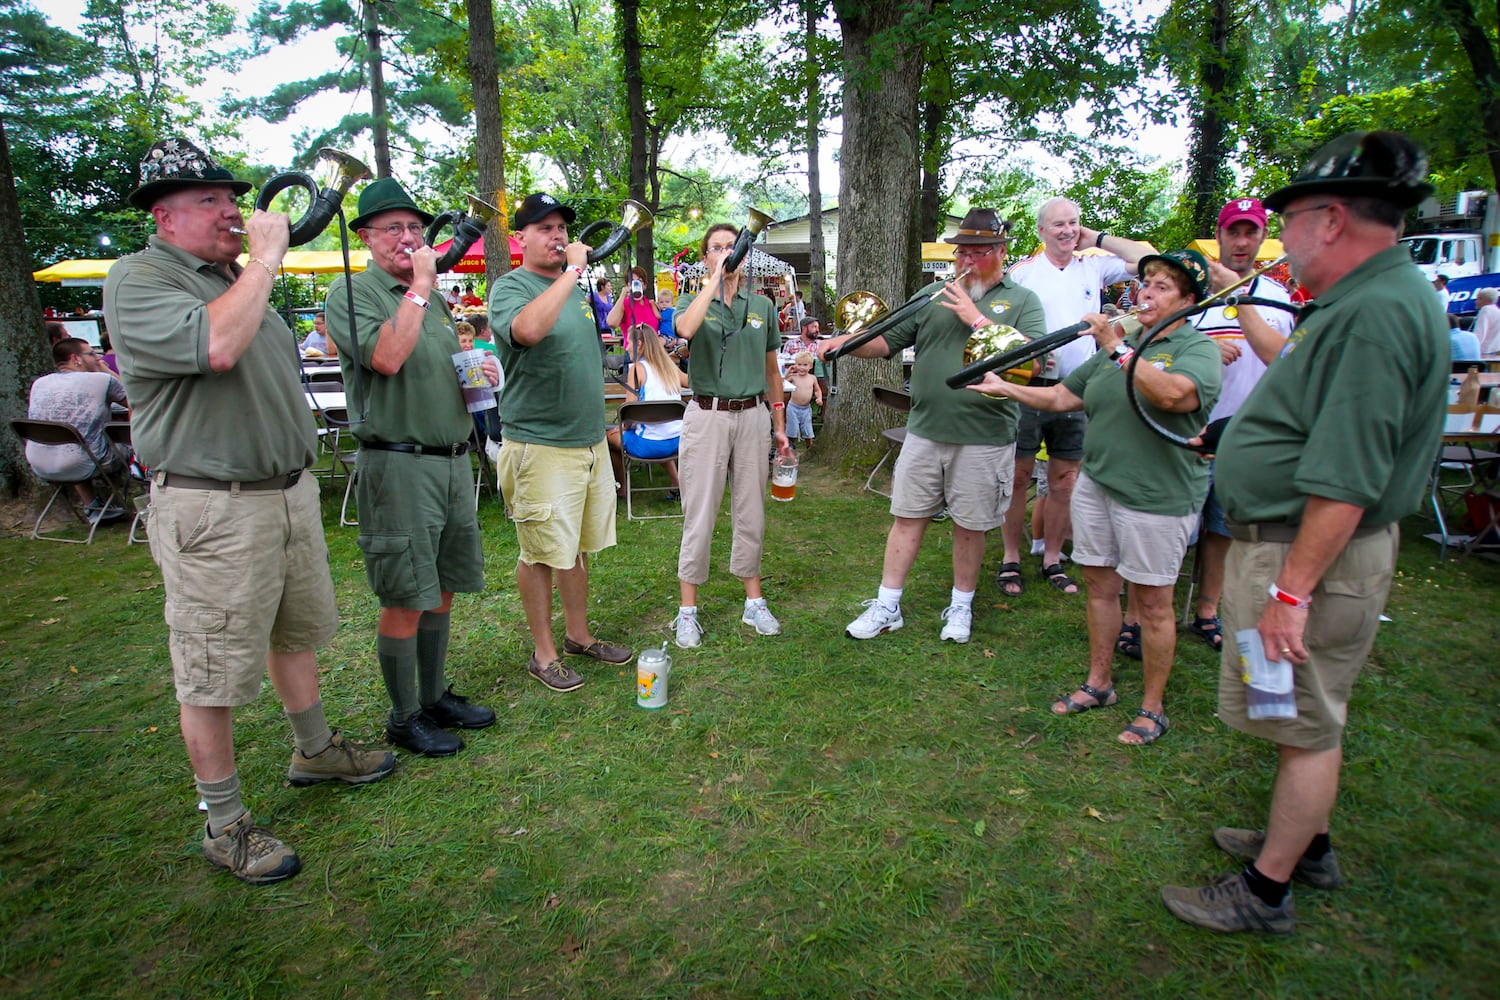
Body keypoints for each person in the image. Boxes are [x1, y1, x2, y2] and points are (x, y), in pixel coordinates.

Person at [1159, 131, 1448, 934]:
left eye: (1287, 221)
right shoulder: (1366, 300)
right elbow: (1322, 423)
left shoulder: (1378, 314)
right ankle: (1306, 841)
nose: (1281, 239)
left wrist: (1291, 593)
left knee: (1305, 721)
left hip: (1307, 556)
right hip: (1294, 548)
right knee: (1295, 713)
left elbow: (1348, 478)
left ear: (1330, 219)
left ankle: (1267, 888)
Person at [102, 136, 395, 885]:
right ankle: (224, 821)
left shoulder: (234, 275)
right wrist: (264, 260)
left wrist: (251, 265)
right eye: (211, 200)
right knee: (211, 669)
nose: (234, 211)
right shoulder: (140, 279)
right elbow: (218, 347)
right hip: (213, 506)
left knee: (293, 634)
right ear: (163, 217)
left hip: (285, 492)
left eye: (232, 197)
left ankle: (315, 750)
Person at [966, 248, 1222, 744]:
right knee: (1101, 589)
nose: (1146, 292)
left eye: (1163, 286)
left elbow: (1171, 395)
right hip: (1098, 487)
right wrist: (1008, 388)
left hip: (1158, 496)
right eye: (1145, 283)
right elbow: (1063, 396)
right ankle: (1099, 683)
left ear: (1190, 302)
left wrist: (1116, 347)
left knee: (1152, 604)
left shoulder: (1197, 349)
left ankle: (1152, 708)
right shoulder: (1118, 350)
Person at [324, 177, 501, 758]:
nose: (407, 238)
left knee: (442, 586)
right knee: (405, 593)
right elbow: (388, 357)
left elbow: (439, 366)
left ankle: (431, 696)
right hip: (398, 464)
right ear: (367, 238)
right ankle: (403, 717)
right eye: (392, 228)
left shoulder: (434, 301)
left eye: (414, 227)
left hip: (451, 462)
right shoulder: (354, 294)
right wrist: (422, 285)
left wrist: (479, 372)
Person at [818, 208, 1046, 645]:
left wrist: (976, 319)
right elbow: (884, 341)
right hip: (925, 429)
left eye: (979, 252)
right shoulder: (931, 295)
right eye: (963, 252)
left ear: (1000, 252)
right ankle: (887, 605)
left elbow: (1032, 363)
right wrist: (845, 344)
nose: (968, 260)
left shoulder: (1022, 301)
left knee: (970, 524)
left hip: (985, 435)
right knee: (907, 517)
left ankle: (960, 607)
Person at [489, 192, 632, 691]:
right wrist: (572, 273)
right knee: (540, 552)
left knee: (576, 548)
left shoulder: (573, 291)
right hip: (540, 444)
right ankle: (543, 653)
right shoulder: (511, 287)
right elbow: (526, 331)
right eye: (544, 227)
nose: (558, 236)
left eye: (562, 228)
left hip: (589, 443)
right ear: (520, 238)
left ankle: (578, 635)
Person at [998, 198, 1152, 599]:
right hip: (1031, 386)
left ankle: (1052, 557)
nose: (1067, 231)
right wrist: (1027, 350)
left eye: (1074, 223)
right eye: (1058, 225)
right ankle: (1010, 556)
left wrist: (1097, 238)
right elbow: (1001, 329)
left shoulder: (1094, 263)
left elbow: (1151, 258)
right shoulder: (1024, 272)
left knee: (1065, 480)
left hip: (1081, 387)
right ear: (1041, 231)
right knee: (1018, 476)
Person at [671, 223, 794, 648]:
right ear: (705, 257)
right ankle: (688, 610)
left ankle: (753, 602)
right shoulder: (691, 300)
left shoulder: (761, 304)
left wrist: (779, 427)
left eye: (733, 246)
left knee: (751, 511)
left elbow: (771, 370)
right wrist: (714, 281)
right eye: (717, 248)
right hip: (707, 415)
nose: (726, 253)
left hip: (752, 416)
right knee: (700, 514)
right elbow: (685, 330)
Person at [1186, 197, 1297, 655]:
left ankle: (1207, 610)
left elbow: (1288, 365)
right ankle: (1143, 609)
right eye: (1234, 231)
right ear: (1221, 233)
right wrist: (1205, 351)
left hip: (1247, 437)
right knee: (1177, 525)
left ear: (1262, 237)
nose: (1242, 241)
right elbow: (1164, 350)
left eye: (1251, 232)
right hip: (1193, 430)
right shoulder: (1195, 291)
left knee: (1222, 531)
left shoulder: (1279, 295)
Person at [24, 337, 129, 519]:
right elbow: (137, 402)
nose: (97, 357)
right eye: (91, 353)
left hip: (39, 462)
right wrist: (105, 370)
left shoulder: (39, 383)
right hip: (87, 461)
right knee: (129, 440)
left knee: (76, 442)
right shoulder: (101, 380)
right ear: (76, 359)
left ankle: (93, 506)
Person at [606, 323, 689, 495]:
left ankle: (622, 489)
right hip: (678, 441)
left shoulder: (636, 370)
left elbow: (628, 413)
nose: (626, 347)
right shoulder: (669, 367)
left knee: (610, 437)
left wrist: (622, 428)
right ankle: (676, 481)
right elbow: (691, 382)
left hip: (650, 445)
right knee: (656, 427)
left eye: (628, 342)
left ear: (639, 345)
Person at [607, 266, 660, 350]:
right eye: (632, 281)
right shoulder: (625, 303)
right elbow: (611, 323)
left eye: (639, 281)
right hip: (634, 354)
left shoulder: (651, 304)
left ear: (644, 285)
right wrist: (623, 295)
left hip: (653, 353)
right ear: (627, 284)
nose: (636, 284)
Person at [782, 316, 830, 406]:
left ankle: (824, 417)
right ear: (804, 328)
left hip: (817, 377)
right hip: (796, 376)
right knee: (786, 387)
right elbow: (784, 363)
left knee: (825, 386)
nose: (817, 330)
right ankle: (784, 417)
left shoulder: (821, 344)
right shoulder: (790, 344)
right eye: (814, 327)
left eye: (818, 327)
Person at [784, 350, 821, 448]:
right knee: (792, 429)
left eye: (805, 365)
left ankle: (810, 447)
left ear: (811, 366)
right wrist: (789, 371)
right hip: (793, 408)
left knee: (808, 429)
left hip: (806, 409)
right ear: (795, 365)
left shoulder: (812, 378)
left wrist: (819, 398)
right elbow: (783, 380)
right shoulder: (794, 377)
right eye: (799, 364)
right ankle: (789, 447)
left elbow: (817, 390)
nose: (802, 367)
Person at [1473, 287, 1500, 354]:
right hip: (1495, 350)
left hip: (1483, 351)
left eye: (1480, 299)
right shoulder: (1497, 311)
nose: (1476, 301)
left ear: (1488, 301)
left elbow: (1480, 332)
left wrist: (1471, 348)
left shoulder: (1486, 309)